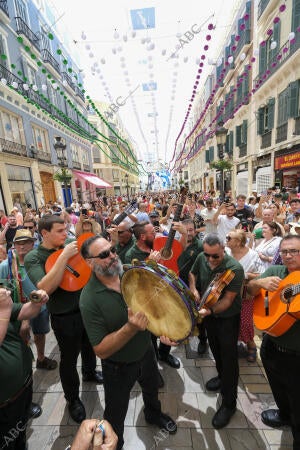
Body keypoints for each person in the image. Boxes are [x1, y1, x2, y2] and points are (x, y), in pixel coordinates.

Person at [79, 236, 177, 450]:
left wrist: (164, 330)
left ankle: (153, 414)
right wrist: (130, 328)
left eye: (112, 250)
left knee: (152, 389)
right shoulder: (89, 299)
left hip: (146, 352)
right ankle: (115, 444)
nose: (113, 255)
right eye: (104, 254)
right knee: (115, 413)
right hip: (118, 367)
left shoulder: (130, 273)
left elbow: (152, 305)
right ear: (89, 262)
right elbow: (101, 350)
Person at [24, 215, 103, 424]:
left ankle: (89, 372)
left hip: (86, 310)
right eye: (60, 231)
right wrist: (63, 257)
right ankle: (73, 400)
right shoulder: (34, 257)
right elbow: (45, 287)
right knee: (68, 360)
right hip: (64, 317)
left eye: (66, 229)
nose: (65, 234)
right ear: (44, 233)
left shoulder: (70, 244)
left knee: (89, 347)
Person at [247, 234, 300, 449]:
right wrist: (259, 282)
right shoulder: (276, 272)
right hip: (271, 345)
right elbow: (249, 291)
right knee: (278, 388)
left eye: (294, 251)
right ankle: (284, 415)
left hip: (297, 355)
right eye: (284, 251)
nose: (288, 256)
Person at [189, 233, 244, 429]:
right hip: (209, 314)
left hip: (227, 318)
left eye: (215, 256)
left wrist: (209, 311)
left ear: (223, 250)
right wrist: (194, 288)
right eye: (207, 255)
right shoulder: (202, 257)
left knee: (229, 358)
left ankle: (229, 404)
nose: (210, 260)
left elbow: (228, 300)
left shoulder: (234, 269)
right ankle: (222, 378)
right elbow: (193, 273)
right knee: (216, 350)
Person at [124, 221, 181, 370]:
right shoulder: (131, 254)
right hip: (146, 300)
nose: (156, 235)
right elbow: (132, 281)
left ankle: (164, 354)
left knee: (166, 327)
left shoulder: (157, 245)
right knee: (151, 332)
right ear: (142, 236)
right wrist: (149, 263)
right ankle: (153, 361)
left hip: (164, 294)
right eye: (152, 233)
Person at [0, 286, 49, 450]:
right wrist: (4, 310)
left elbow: (23, 311)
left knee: (20, 433)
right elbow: (6, 312)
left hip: (23, 388)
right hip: (4, 404)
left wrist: (36, 303)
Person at [225, 229, 263, 362]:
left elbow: (261, 274)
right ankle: (231, 345)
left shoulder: (253, 255)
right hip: (226, 292)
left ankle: (251, 345)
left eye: (229, 238)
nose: (226, 240)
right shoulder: (226, 252)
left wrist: (243, 274)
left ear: (239, 242)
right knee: (228, 321)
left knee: (245, 322)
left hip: (244, 293)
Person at [177, 219, 207, 354]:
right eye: (186, 230)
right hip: (178, 285)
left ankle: (203, 340)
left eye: (191, 230)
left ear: (195, 230)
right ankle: (181, 335)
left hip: (195, 286)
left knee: (198, 316)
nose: (188, 233)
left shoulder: (200, 246)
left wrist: (195, 288)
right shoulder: (176, 244)